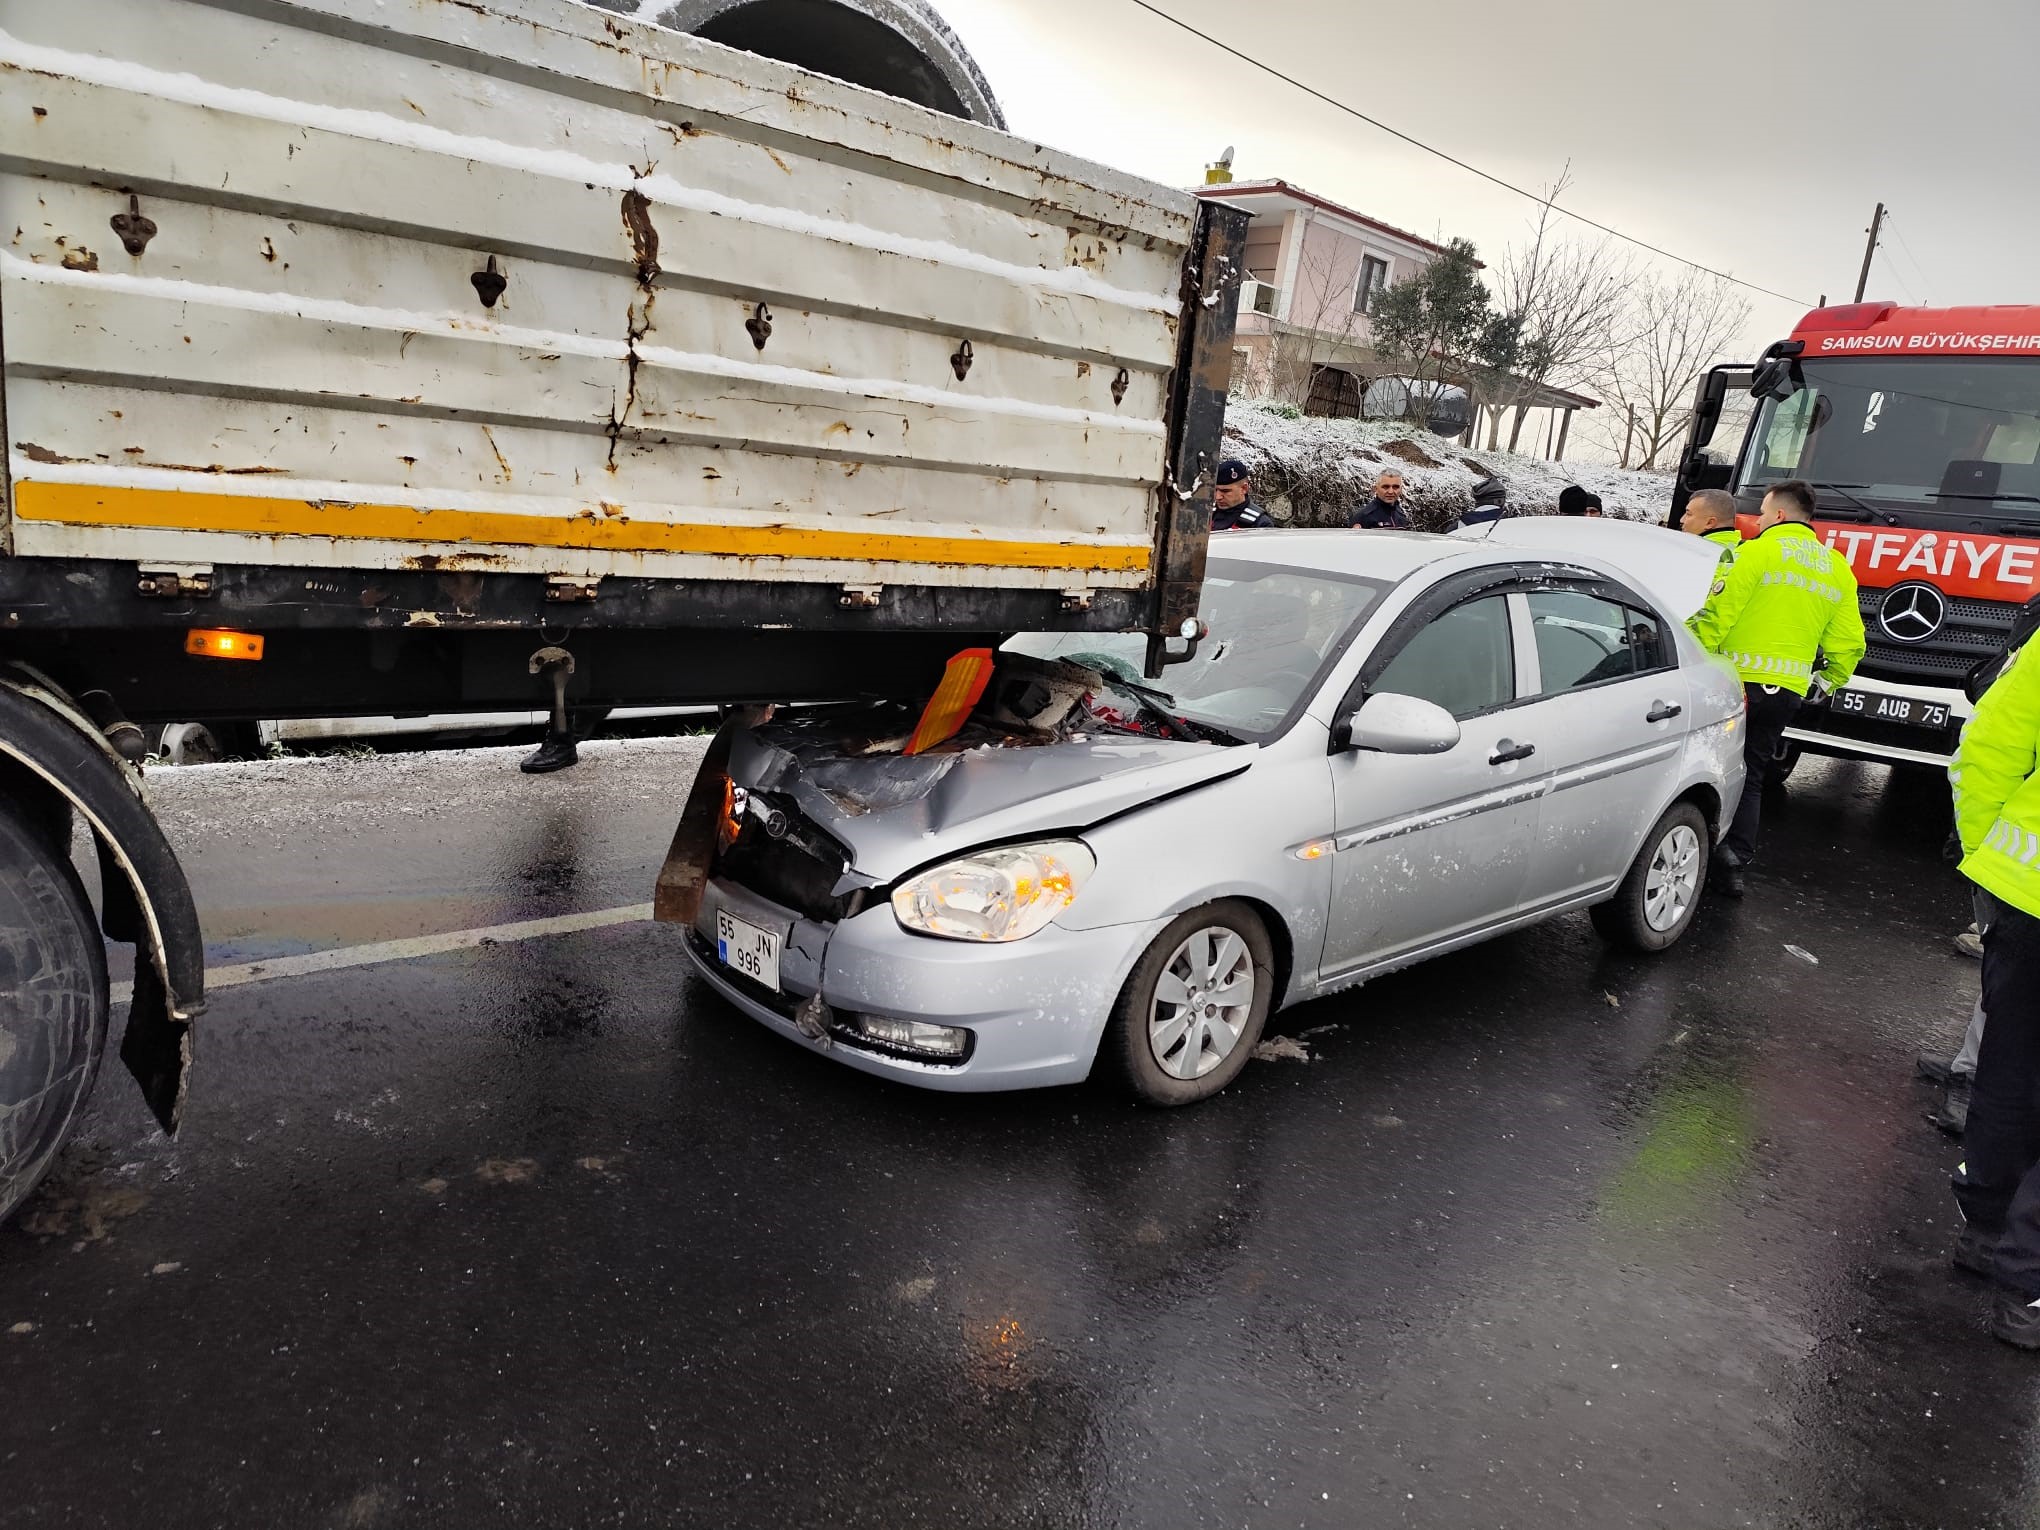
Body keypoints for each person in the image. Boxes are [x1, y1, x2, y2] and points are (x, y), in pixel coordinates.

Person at [1687, 478, 1866, 897]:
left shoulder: (1755, 551)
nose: (1761, 520)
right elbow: (1849, 639)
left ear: (1780, 514)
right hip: (1786, 690)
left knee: (1702, 769)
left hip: (1736, 683)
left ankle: (1698, 853)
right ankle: (1734, 861)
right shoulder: (1835, 566)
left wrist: (1685, 654)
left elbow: (1718, 614)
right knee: (1752, 771)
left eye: (1764, 513)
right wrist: (1830, 680)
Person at [1946, 636, 2040, 1346]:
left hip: (2027, 896)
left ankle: (1984, 1230)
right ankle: (2027, 1287)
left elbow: (1988, 748)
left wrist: (1989, 862)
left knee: (2009, 1072)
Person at [1680, 488, 1744, 563]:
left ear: (1710, 523)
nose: (1682, 520)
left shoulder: (1692, 556)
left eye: (1688, 514)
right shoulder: (1744, 552)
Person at [1210, 459, 1271, 531]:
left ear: (1244, 488)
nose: (1217, 497)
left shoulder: (1260, 524)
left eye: (1225, 491)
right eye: (1215, 490)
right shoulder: (1205, 515)